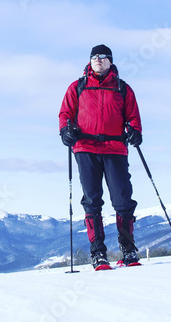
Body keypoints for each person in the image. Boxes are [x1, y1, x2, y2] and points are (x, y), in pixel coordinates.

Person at [58, 44, 143, 270]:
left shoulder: (123, 89)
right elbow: (66, 114)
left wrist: (135, 131)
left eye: (102, 57)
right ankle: (98, 253)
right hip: (85, 147)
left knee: (123, 200)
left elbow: (133, 116)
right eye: (94, 56)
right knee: (92, 200)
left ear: (110, 61)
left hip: (115, 147)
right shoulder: (78, 87)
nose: (98, 59)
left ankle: (128, 249)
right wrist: (66, 131)